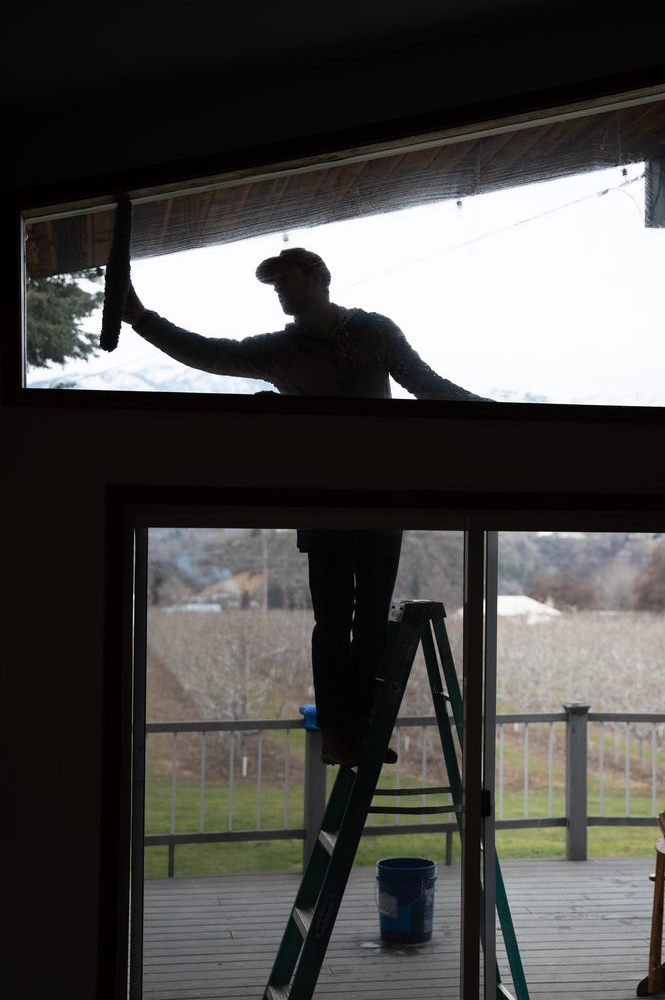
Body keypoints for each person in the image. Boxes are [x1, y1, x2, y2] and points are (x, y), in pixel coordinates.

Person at [122, 247, 487, 767]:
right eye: (275, 285)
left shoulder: (373, 332)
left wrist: (493, 415)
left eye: (287, 280)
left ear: (321, 278)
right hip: (330, 502)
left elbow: (427, 386)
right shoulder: (283, 348)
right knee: (336, 619)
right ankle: (342, 732)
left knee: (364, 617)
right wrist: (142, 320)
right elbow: (206, 352)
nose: (280, 291)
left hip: (382, 497)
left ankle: (355, 727)